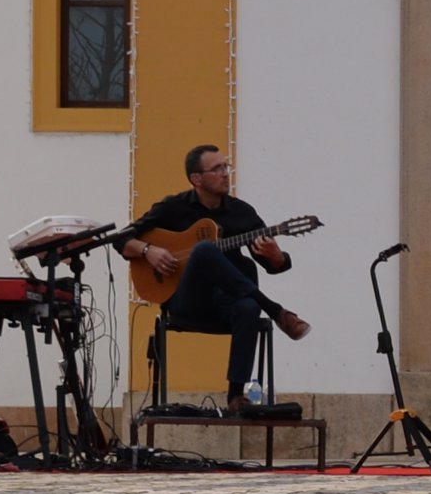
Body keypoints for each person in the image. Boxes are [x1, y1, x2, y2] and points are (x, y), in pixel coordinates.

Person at [116, 145, 311, 414]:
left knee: (248, 307)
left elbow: (272, 266)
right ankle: (276, 310)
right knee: (204, 249)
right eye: (217, 168)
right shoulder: (174, 207)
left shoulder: (242, 213)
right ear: (197, 179)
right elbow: (121, 239)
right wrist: (149, 250)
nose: (225, 173)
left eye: (225, 167)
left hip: (225, 304)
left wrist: (276, 256)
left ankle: (235, 396)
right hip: (186, 301)